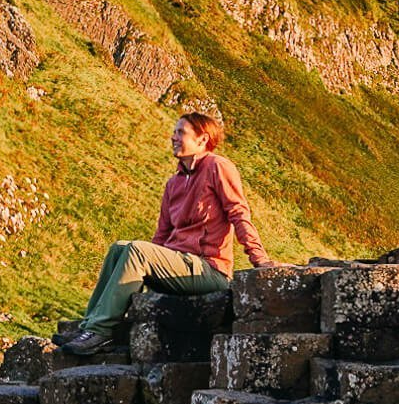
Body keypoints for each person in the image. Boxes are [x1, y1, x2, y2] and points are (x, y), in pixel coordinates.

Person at [59, 112, 274, 355]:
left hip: (208, 269)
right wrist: (149, 270)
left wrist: (259, 258)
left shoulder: (218, 167)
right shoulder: (174, 183)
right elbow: (161, 236)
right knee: (119, 248)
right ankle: (88, 326)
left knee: (137, 250)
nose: (173, 137)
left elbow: (238, 213)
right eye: (175, 131)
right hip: (177, 266)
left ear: (202, 140)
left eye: (181, 132)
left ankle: (101, 332)